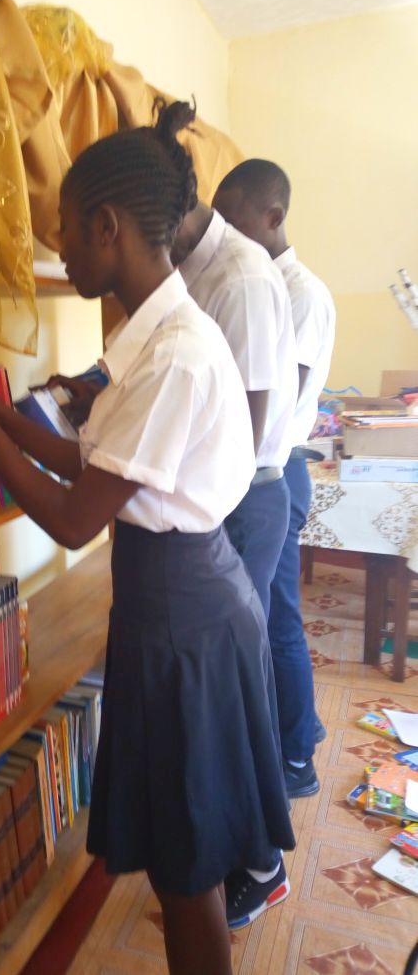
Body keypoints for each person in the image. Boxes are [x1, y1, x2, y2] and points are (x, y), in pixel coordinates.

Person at [0, 100, 294, 972]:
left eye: (66, 232)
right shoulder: (148, 340)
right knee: (175, 853)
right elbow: (90, 459)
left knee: (187, 869)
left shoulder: (175, 357)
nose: (60, 249)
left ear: (109, 228)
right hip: (178, 601)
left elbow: (76, 517)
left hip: (182, 619)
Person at [213, 159, 336, 798]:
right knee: (270, 617)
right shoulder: (256, 279)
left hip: (275, 469)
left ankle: (296, 761)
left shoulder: (299, 293)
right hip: (263, 468)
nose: (226, 236)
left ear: (273, 217)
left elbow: (275, 399)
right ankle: (296, 740)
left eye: (233, 221)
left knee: (278, 621)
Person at [169, 104, 299, 625]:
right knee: (234, 643)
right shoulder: (198, 270)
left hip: (242, 496)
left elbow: (246, 425)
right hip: (226, 491)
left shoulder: (240, 277)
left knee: (241, 644)